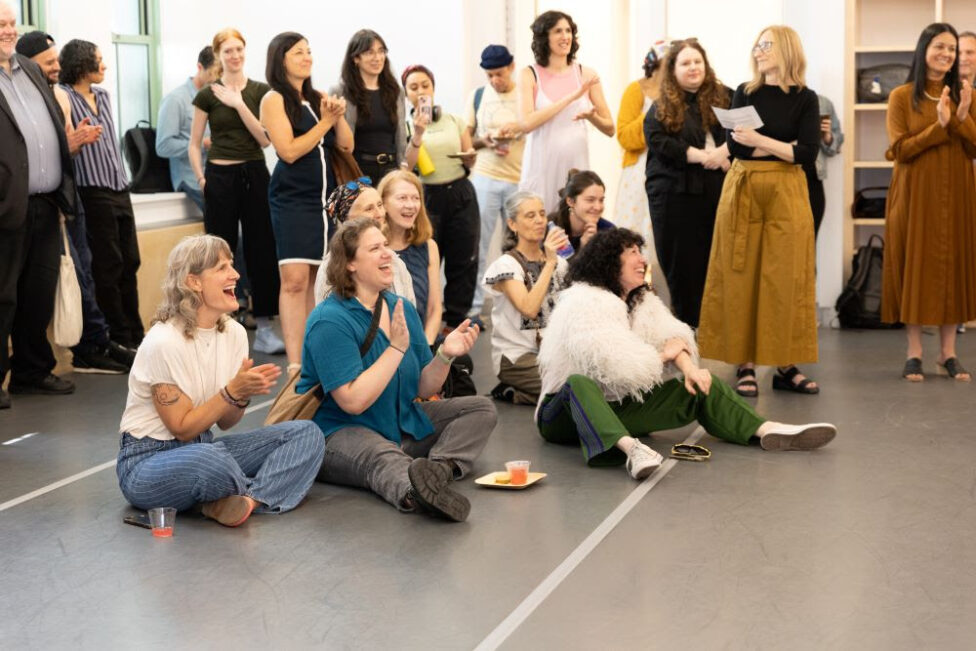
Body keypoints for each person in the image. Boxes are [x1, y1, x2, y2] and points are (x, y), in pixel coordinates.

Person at [536, 228, 837, 480]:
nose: (642, 260)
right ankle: (632, 450)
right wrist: (663, 357)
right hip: (563, 415)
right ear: (609, 261)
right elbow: (613, 365)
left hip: (616, 407)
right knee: (579, 383)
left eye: (641, 252)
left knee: (702, 385)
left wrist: (690, 369)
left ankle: (767, 430)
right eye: (632, 253)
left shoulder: (640, 301)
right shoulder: (584, 301)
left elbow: (673, 335)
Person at [115, 234, 324, 527]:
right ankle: (248, 490)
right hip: (147, 463)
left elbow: (227, 422)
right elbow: (182, 428)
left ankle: (246, 501)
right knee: (210, 461)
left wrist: (240, 396)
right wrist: (231, 392)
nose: (235, 275)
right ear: (194, 282)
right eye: (222, 268)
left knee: (306, 434)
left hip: (204, 446)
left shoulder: (234, 333)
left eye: (232, 265)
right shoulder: (163, 341)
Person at [298, 218, 495, 521]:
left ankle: (438, 471)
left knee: (480, 409)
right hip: (341, 433)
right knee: (381, 456)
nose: (387, 254)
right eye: (374, 248)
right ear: (350, 263)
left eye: (386, 246)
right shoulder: (329, 320)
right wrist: (395, 348)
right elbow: (352, 402)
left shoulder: (399, 307)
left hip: (400, 423)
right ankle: (415, 491)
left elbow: (423, 388)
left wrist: (445, 355)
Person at [697, 25, 821, 398]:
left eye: (766, 45)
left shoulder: (806, 98)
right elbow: (738, 149)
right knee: (741, 274)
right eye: (757, 45)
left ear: (786, 49)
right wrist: (783, 145)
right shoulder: (745, 92)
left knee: (786, 277)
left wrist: (760, 140)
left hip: (787, 191)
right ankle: (745, 364)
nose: (759, 51)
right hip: (745, 188)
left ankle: (785, 365)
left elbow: (807, 153)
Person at [16, 30, 132, 375]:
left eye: (56, 60)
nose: (57, 66)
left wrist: (75, 143)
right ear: (27, 65)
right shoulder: (30, 98)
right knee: (72, 277)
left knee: (88, 272)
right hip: (42, 203)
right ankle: (85, 348)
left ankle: (97, 342)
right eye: (48, 62)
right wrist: (72, 144)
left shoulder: (55, 96)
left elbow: (61, 150)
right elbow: (33, 155)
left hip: (67, 197)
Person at [882, 23, 976, 382]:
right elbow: (900, 149)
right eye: (940, 46)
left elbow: (974, 146)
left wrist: (962, 118)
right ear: (924, 49)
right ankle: (914, 353)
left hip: (958, 193)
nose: (947, 54)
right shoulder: (902, 96)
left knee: (953, 266)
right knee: (915, 267)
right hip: (915, 194)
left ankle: (948, 353)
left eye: (952, 49)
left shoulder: (967, 94)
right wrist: (940, 127)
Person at [261, 32, 354, 371]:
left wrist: (337, 116)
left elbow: (346, 145)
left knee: (318, 282)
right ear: (280, 59)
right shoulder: (273, 99)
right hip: (293, 200)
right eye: (298, 52)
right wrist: (325, 122)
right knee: (295, 281)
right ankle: (296, 364)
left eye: (309, 51)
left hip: (323, 202)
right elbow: (288, 151)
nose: (307, 57)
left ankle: (314, 359)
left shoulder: (317, 98)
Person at [0, 3, 77, 408]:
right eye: (1, 24)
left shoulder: (30, 69)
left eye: (12, 23)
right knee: (3, 298)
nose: (9, 30)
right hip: (6, 207)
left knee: (38, 293)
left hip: (46, 203)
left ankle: (31, 371)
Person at [189, 28, 284, 355]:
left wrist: (239, 103)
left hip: (254, 173)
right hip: (219, 176)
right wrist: (201, 178)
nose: (234, 55)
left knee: (262, 249)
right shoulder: (207, 94)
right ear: (219, 55)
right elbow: (193, 144)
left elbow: (265, 139)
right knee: (218, 252)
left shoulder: (260, 92)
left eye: (239, 49)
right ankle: (220, 324)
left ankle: (266, 327)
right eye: (228, 50)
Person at [59, 39, 145, 352]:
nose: (104, 65)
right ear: (82, 64)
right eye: (98, 60)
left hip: (119, 186)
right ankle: (119, 336)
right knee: (108, 266)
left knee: (130, 261)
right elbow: (65, 144)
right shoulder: (64, 95)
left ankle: (136, 332)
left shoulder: (104, 96)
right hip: (92, 190)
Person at [644, 38, 732, 327]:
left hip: (717, 192)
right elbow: (659, 142)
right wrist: (704, 157)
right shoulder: (661, 107)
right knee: (683, 268)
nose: (693, 67)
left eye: (697, 61)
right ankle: (688, 330)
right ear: (673, 70)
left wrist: (725, 152)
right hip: (675, 197)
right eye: (685, 63)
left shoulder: (727, 97)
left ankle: (718, 331)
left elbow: (746, 130)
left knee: (718, 264)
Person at [401, 64, 480, 330]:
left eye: (425, 85)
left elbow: (469, 154)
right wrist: (417, 132)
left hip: (460, 191)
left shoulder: (454, 120)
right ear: (406, 94)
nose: (421, 91)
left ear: (433, 89)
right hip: (427, 196)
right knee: (427, 259)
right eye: (414, 87)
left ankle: (456, 320)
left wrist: (470, 158)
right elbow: (406, 167)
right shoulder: (405, 126)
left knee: (464, 259)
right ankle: (426, 321)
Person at [518, 10, 614, 212]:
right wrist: (571, 97)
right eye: (558, 31)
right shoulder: (529, 74)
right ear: (544, 37)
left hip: (576, 164)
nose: (565, 36)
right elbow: (526, 123)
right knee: (541, 220)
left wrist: (592, 117)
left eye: (568, 31)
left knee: (576, 218)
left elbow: (610, 128)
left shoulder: (586, 74)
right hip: (541, 166)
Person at [483, 191, 569, 404]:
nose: (540, 220)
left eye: (542, 214)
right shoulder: (505, 265)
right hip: (517, 357)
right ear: (512, 224)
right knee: (569, 389)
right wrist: (550, 263)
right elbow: (529, 308)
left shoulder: (561, 263)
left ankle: (518, 394)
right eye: (530, 216)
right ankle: (522, 390)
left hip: (552, 353)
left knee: (591, 382)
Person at [466, 44, 525, 318]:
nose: (494, 80)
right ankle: (475, 308)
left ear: (511, 67)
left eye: (499, 74)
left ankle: (519, 305)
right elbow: (467, 139)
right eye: (489, 75)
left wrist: (516, 131)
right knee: (478, 243)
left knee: (518, 244)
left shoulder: (525, 96)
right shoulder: (478, 96)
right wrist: (485, 140)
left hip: (518, 178)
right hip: (485, 177)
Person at [313, 177, 415, 306]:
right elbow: (326, 315)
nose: (379, 214)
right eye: (369, 209)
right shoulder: (331, 268)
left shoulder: (394, 261)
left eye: (380, 205)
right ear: (347, 220)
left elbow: (410, 311)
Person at [333, 29, 407, 185]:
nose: (377, 58)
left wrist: (403, 168)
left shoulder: (396, 91)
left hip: (391, 170)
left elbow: (400, 136)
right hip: (357, 171)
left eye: (381, 51)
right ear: (355, 58)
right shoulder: (340, 92)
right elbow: (336, 141)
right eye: (369, 52)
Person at [378, 170, 442, 343]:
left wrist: (425, 348)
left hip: (422, 342)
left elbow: (434, 310)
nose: (411, 205)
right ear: (383, 203)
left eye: (416, 198)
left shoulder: (429, 246)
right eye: (402, 198)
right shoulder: (372, 248)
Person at [615, 43, 665, 262]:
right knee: (634, 231)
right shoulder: (635, 90)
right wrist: (655, 111)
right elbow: (625, 136)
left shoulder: (678, 94)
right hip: (638, 172)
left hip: (668, 169)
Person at [156, 45, 218, 212]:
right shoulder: (175, 100)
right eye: (213, 74)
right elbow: (163, 146)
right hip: (191, 180)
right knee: (226, 218)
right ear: (200, 67)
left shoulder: (217, 96)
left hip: (217, 173)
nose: (216, 79)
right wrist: (203, 144)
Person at [548, 169, 613, 254]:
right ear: (570, 202)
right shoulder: (551, 227)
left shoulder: (608, 231)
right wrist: (582, 248)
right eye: (590, 200)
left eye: (601, 200)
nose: (598, 207)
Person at [808, 94, 843, 239]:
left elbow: (835, 145)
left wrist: (827, 137)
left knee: (810, 241)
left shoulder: (822, 102)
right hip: (781, 178)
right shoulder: (771, 101)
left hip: (812, 179)